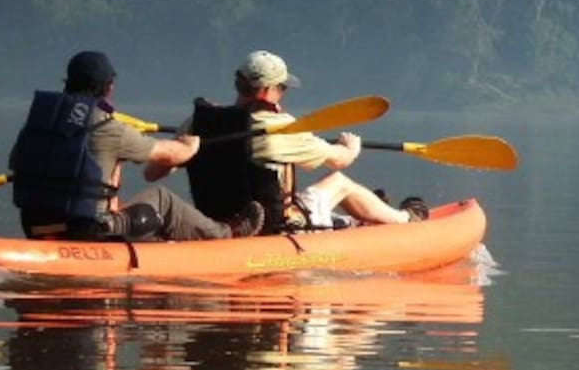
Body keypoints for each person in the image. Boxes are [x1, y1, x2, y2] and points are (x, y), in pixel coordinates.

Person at [9, 50, 263, 241]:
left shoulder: (38, 127)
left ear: (67, 82)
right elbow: (171, 155)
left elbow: (15, 165)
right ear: (109, 87)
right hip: (86, 230)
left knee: (122, 206)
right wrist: (191, 143)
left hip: (34, 227)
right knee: (162, 199)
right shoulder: (110, 129)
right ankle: (227, 233)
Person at [167, 50, 427, 234]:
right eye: (282, 88)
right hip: (273, 226)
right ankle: (405, 220)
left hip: (214, 221)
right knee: (340, 183)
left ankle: (358, 216)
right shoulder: (279, 127)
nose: (283, 93)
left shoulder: (199, 122)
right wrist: (350, 147)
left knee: (324, 200)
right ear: (269, 90)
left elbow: (158, 168)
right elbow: (339, 160)